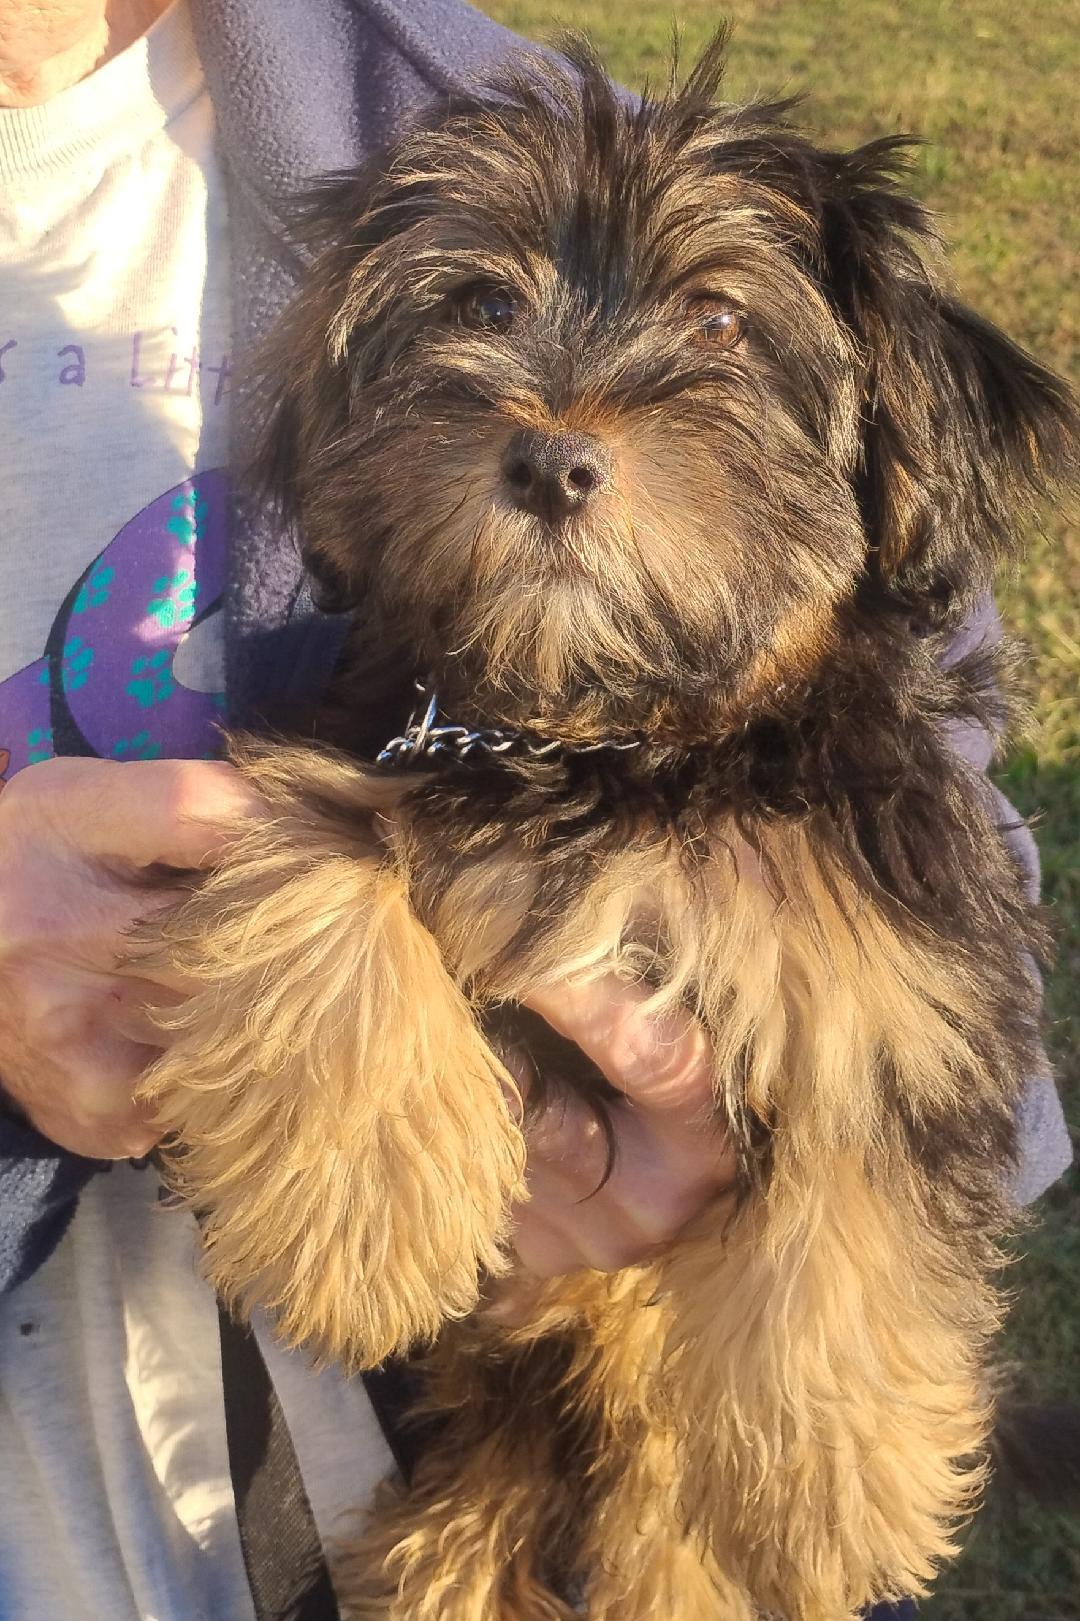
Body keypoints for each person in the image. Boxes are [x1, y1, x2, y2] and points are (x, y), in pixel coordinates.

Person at [0, 2, 1071, 1618]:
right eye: (484, 307)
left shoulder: (445, 105)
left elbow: (962, 1020)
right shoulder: (370, 791)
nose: (562, 431)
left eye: (713, 323)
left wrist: (792, 1196)